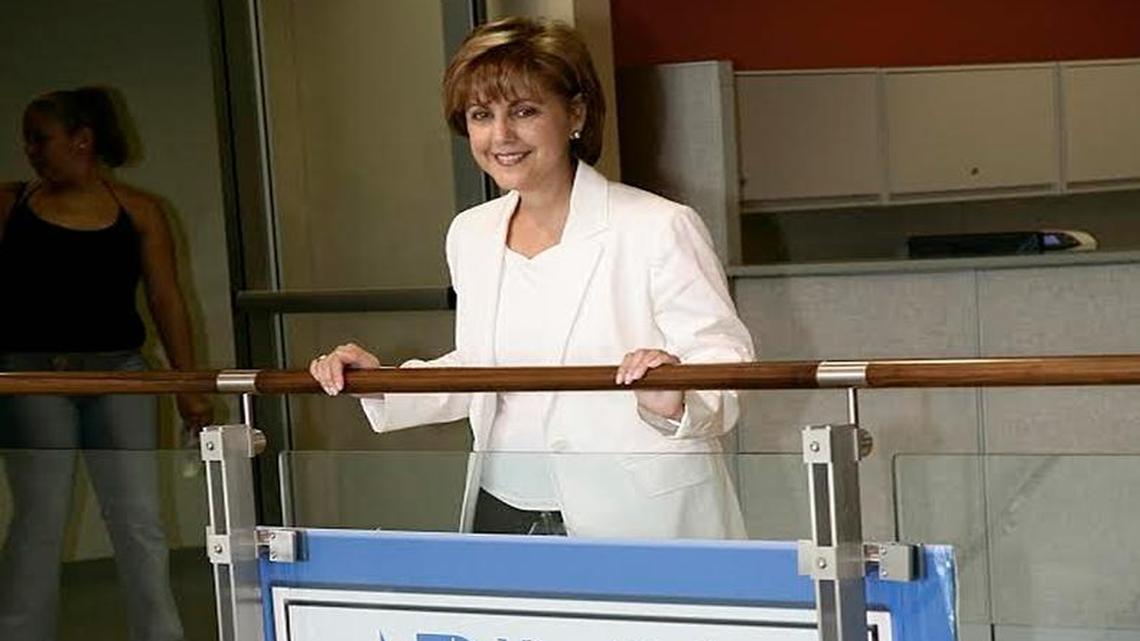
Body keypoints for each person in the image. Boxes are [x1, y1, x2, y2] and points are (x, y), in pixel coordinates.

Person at [310, 17, 754, 539]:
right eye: (481, 115)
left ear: (576, 114)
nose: (501, 136)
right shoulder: (471, 233)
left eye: (524, 111)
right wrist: (378, 381)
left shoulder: (659, 226)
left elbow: (725, 360)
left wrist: (675, 395)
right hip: (502, 505)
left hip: (636, 512)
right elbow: (480, 368)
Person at [0, 87, 210, 640]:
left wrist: (187, 386)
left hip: (120, 375)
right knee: (38, 521)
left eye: (39, 138)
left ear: (82, 140)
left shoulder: (139, 211)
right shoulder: (9, 204)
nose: (31, 150)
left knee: (139, 519)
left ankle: (159, 635)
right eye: (27, 139)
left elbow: (167, 300)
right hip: (32, 379)